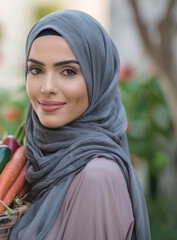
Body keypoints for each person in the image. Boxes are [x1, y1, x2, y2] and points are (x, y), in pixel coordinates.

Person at [9, 9, 151, 240]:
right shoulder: (38, 161)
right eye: (36, 70)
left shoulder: (98, 179)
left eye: (68, 71)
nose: (46, 87)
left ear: (98, 79)